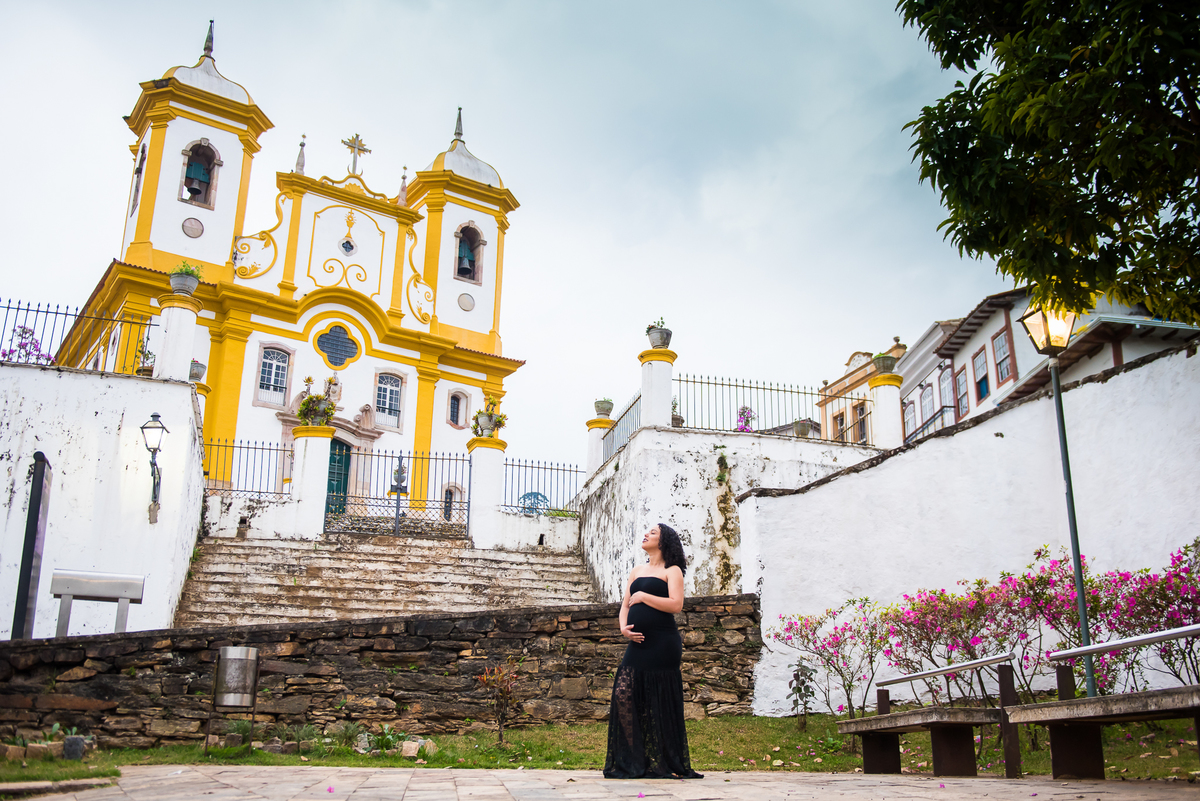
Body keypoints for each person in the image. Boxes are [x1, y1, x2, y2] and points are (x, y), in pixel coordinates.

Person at [603, 523, 703, 779]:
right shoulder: (637, 570)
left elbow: (676, 605)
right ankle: (634, 760)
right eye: (647, 531)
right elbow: (625, 606)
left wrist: (644, 597)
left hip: (662, 643)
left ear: (663, 541)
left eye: (653, 532)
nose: (646, 534)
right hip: (637, 643)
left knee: (659, 702)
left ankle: (661, 761)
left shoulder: (672, 570)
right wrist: (623, 628)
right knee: (623, 693)